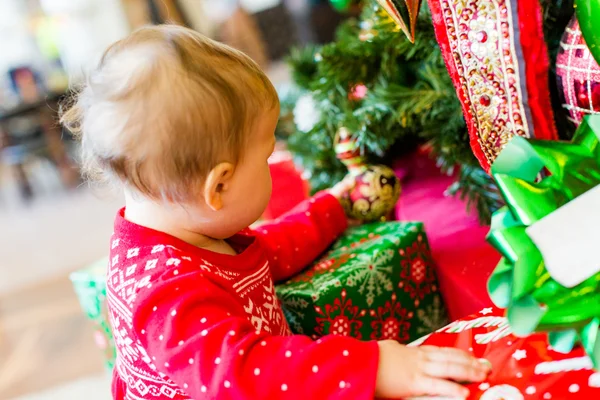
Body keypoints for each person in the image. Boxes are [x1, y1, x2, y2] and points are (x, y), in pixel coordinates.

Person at [61, 25, 490, 400]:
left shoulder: (188, 225)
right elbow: (244, 373)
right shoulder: (163, 291)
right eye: (266, 154)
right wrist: (373, 367)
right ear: (219, 186)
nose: (272, 163)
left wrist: (335, 207)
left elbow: (269, 253)